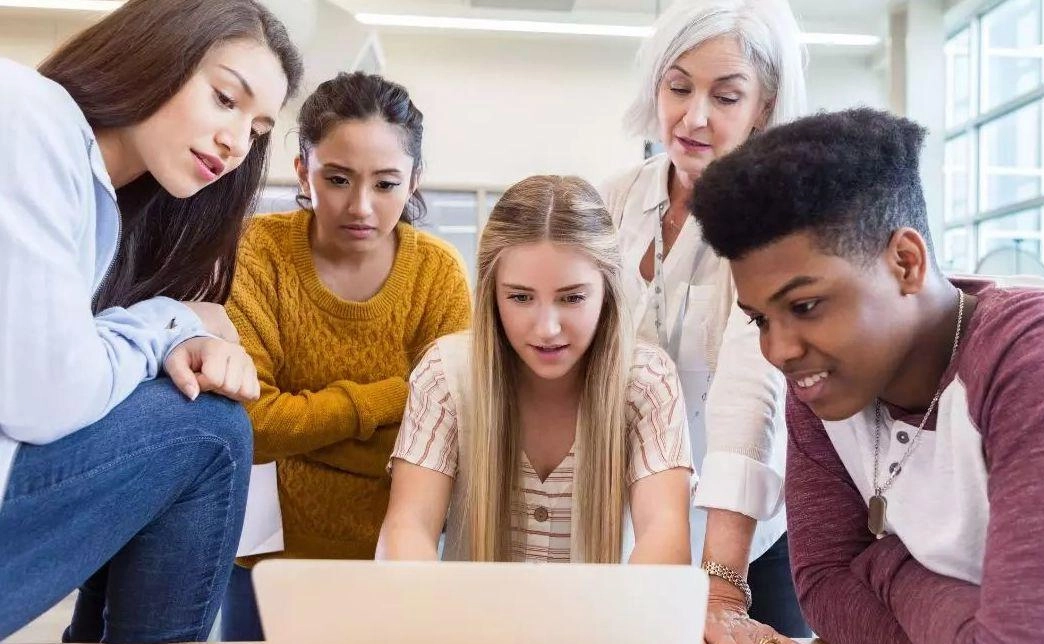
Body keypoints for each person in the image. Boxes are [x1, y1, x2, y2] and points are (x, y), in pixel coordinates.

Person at [691, 107, 1044, 644]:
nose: (779, 350)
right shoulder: (820, 382)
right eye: (760, 319)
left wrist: (886, 567)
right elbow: (824, 588)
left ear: (905, 262)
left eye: (807, 305)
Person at [0, 0, 303, 641]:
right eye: (225, 97)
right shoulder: (28, 112)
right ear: (158, 49)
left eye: (257, 130)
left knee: (185, 414)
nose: (235, 141)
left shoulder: (111, 214)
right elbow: (47, 395)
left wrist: (172, 334)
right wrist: (169, 323)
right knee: (210, 431)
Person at [220, 72, 472, 640]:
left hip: (396, 558)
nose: (360, 206)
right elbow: (251, 428)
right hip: (265, 564)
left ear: (414, 183)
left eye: (385, 184)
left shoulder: (437, 273)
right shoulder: (256, 254)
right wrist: (394, 398)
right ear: (303, 169)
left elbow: (446, 436)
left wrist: (305, 440)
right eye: (337, 179)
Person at [599, 0, 809, 638]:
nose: (694, 116)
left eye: (726, 96)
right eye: (679, 87)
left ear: (763, 107)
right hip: (634, 517)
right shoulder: (614, 200)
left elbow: (750, 397)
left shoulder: (777, 220)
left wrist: (721, 586)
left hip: (747, 537)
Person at [377, 175, 692, 565]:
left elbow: (665, 531)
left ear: (607, 290)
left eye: (572, 297)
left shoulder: (648, 381)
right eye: (521, 297)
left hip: (606, 624)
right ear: (492, 292)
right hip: (469, 624)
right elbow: (408, 526)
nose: (547, 329)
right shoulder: (444, 375)